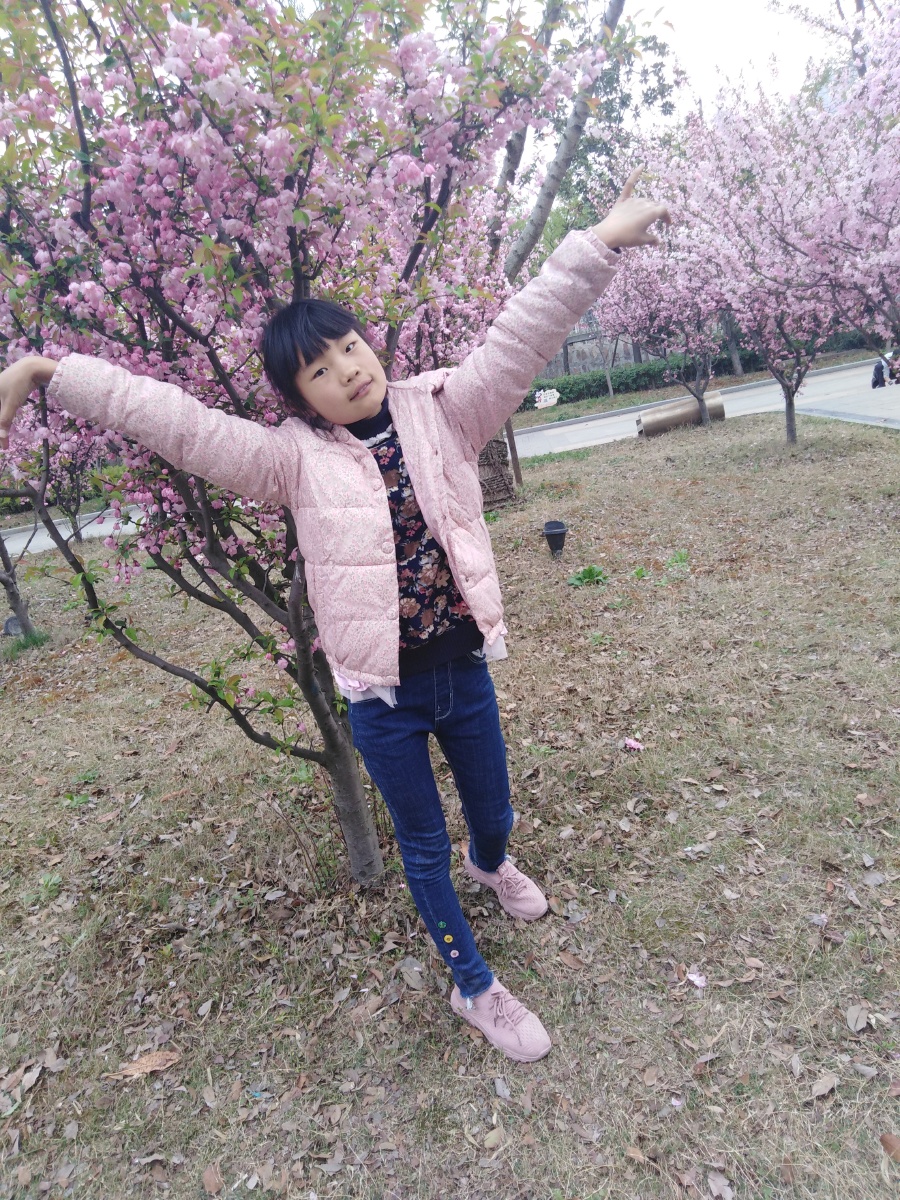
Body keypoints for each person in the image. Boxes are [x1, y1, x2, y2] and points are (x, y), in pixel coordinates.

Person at [0, 170, 669, 1063]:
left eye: (350, 347)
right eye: (319, 369)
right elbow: (180, 424)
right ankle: (474, 986)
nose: (347, 370)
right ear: (300, 398)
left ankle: (492, 863)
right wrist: (50, 372)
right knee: (422, 845)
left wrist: (599, 242)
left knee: (494, 811)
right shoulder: (288, 461)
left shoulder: (448, 412)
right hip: (383, 699)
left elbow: (523, 336)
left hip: (464, 669)